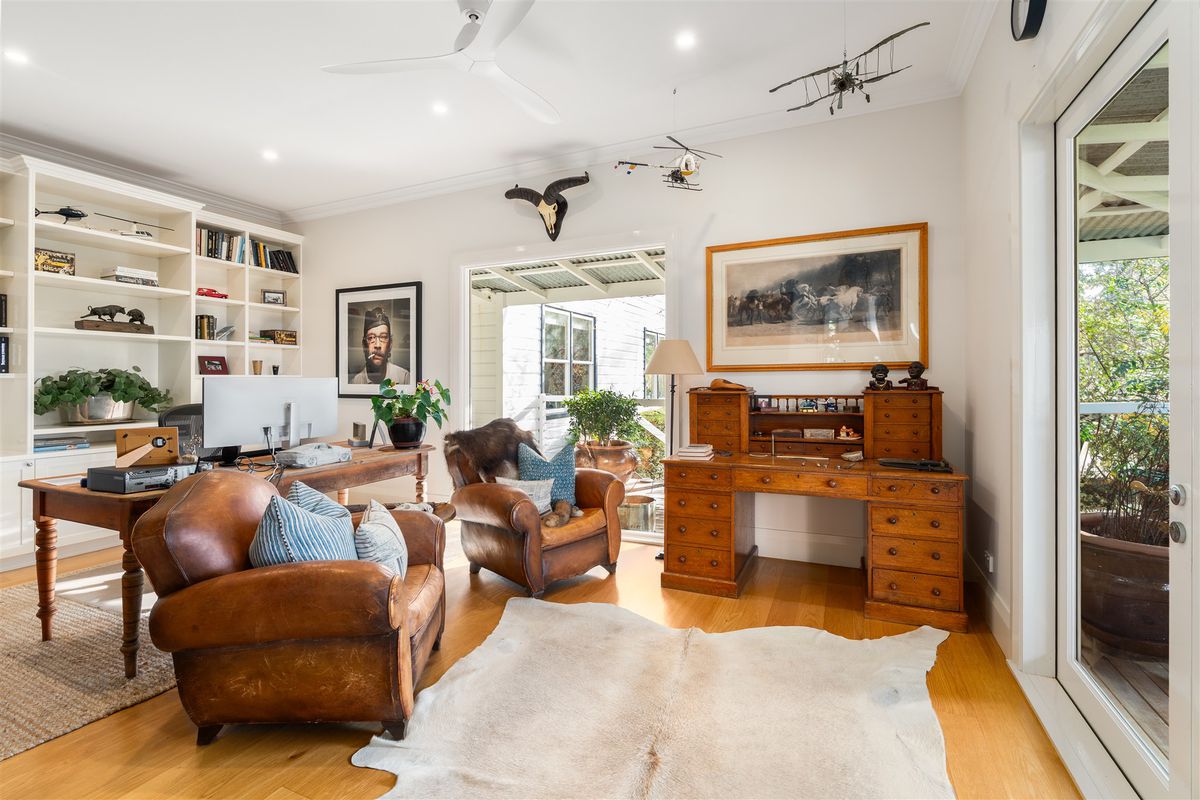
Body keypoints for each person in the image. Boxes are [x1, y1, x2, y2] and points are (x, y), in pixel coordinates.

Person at [349, 306, 411, 385]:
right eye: (371, 338)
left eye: (384, 337)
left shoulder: (405, 379)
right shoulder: (355, 383)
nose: (377, 345)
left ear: (390, 344)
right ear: (364, 345)